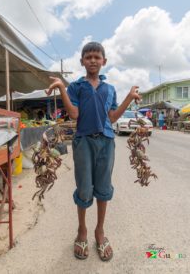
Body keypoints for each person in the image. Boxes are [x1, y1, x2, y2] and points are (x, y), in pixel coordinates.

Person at [46, 42, 140, 261]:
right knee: (84, 189)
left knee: (104, 188)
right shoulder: (76, 86)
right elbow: (74, 115)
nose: (93, 60)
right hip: (83, 142)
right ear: (82, 62)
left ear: (104, 61)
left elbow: (113, 118)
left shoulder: (109, 89)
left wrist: (128, 96)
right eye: (88, 57)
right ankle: (82, 230)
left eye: (97, 57)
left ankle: (99, 230)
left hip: (106, 142)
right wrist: (61, 88)